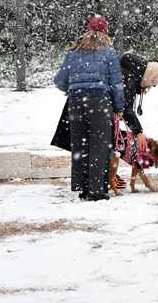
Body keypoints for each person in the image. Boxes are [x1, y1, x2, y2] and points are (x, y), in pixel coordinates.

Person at [53, 16, 124, 201]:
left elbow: (60, 82)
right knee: (100, 146)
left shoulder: (73, 53)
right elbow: (116, 84)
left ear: (87, 32)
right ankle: (97, 190)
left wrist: (77, 85)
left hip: (76, 103)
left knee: (80, 145)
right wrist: (119, 108)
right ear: (105, 34)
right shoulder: (109, 53)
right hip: (100, 102)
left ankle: (82, 187)